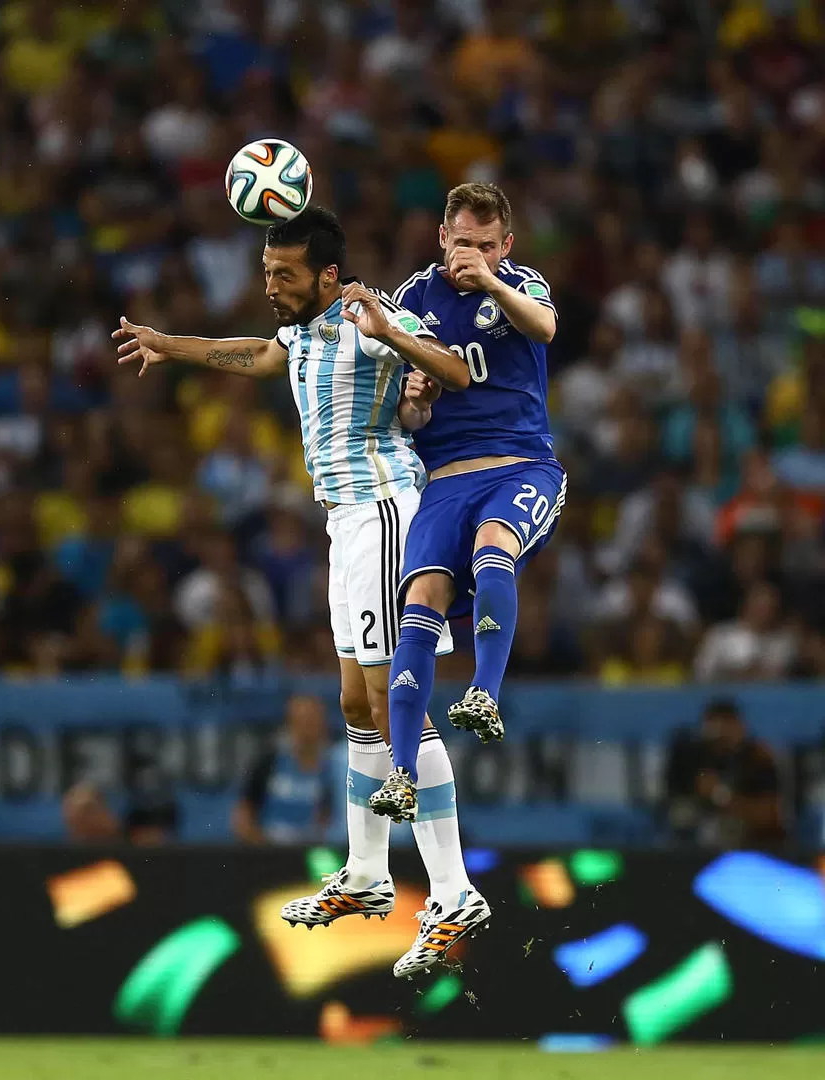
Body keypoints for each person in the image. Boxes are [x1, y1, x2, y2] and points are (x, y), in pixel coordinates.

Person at [113, 206, 485, 978]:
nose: (271, 287)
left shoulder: (369, 314)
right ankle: (367, 873)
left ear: (325, 274)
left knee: (393, 701)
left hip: (387, 510)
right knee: (355, 703)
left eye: (283, 275)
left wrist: (394, 340)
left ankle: (452, 890)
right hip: (344, 524)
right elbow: (256, 354)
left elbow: (451, 373)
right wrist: (169, 345)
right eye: (265, 273)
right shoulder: (302, 335)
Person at [370, 182, 565, 816]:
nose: (471, 254)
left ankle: (483, 692)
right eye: (462, 243)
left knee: (491, 551)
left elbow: (545, 326)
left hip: (519, 467)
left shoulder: (519, 285)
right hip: (444, 478)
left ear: (504, 245)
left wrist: (492, 282)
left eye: (485, 245)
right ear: (441, 238)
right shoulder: (413, 298)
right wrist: (417, 399)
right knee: (419, 602)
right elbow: (406, 416)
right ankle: (401, 775)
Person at [665, 699, 785, 849]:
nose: (721, 736)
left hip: (745, 836)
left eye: (727, 728)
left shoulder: (757, 757)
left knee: (723, 830)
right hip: (699, 828)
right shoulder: (691, 755)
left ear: (740, 728)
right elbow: (672, 803)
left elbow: (770, 816)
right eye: (714, 729)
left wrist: (720, 795)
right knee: (682, 816)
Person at [232, 694, 335, 844]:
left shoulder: (333, 770)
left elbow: (330, 818)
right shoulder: (268, 762)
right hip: (270, 852)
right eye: (300, 721)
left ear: (322, 724)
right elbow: (243, 814)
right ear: (289, 724)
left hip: (313, 855)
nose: (306, 729)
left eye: (311, 721)